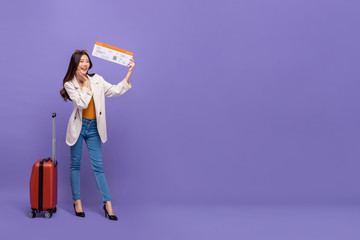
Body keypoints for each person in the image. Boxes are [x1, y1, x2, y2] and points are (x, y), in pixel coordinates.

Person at [59, 49, 135, 220]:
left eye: (87, 61)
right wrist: (85, 86)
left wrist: (129, 72)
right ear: (75, 65)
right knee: (75, 165)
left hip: (95, 128)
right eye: (81, 62)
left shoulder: (98, 80)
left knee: (98, 167)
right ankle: (77, 201)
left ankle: (107, 204)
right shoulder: (69, 84)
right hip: (78, 127)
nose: (85, 64)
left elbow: (115, 90)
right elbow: (82, 103)